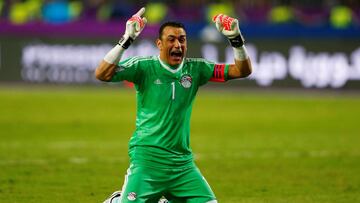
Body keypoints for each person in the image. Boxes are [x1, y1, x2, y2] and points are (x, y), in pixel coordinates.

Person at [96, 7, 252, 203]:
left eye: (182, 40)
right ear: (159, 44)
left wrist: (236, 39)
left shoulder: (197, 69)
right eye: (171, 40)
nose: (178, 45)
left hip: (182, 165)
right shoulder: (143, 67)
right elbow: (102, 74)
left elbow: (242, 71)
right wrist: (126, 40)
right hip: (147, 161)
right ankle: (117, 200)